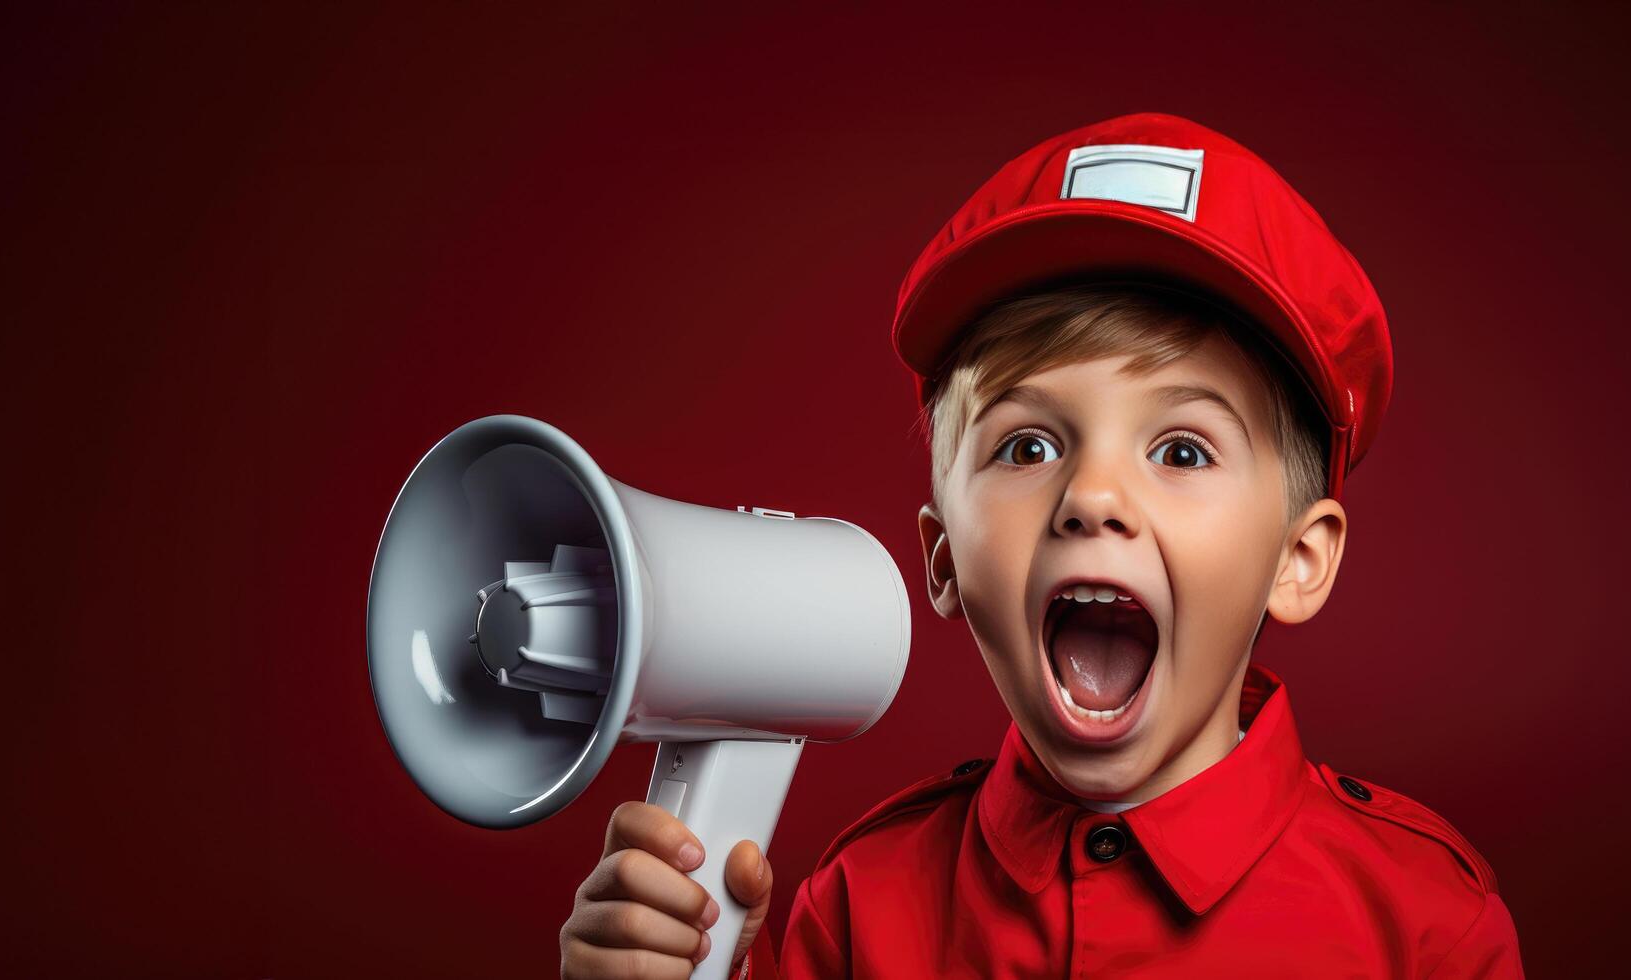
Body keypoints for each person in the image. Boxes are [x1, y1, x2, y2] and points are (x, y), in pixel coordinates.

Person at [557, 112, 1523, 978]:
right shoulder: (857, 909)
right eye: (1028, 445)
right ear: (942, 559)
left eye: (1181, 449)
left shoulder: (1424, 929)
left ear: (1297, 560)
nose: (1091, 496)